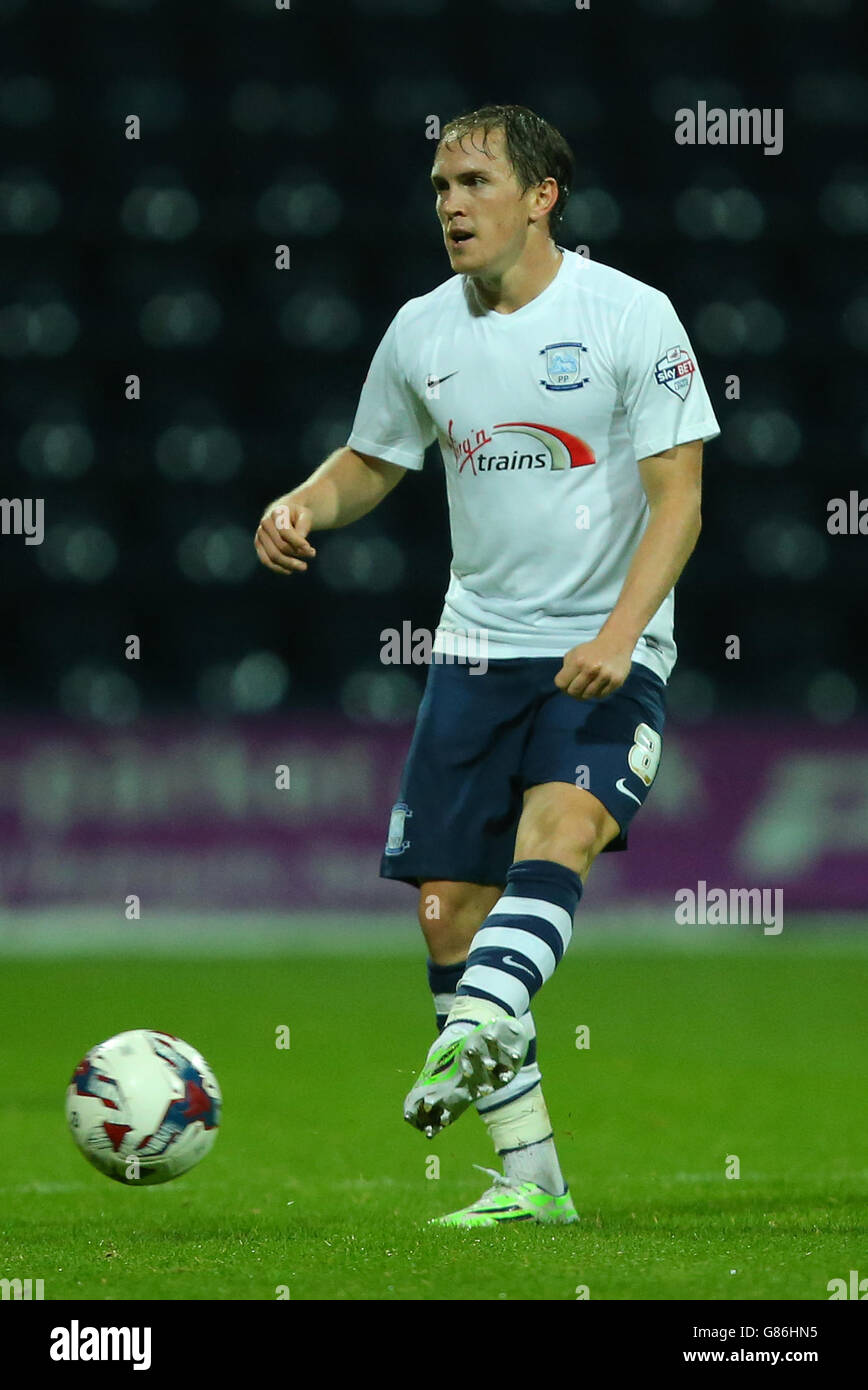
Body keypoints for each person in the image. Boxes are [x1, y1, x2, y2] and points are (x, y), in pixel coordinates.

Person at [255, 103, 720, 1228]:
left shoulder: (628, 315)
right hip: (471, 652)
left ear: (540, 195)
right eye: (438, 188)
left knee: (560, 834)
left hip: (602, 652)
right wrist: (310, 500)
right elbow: (375, 455)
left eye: (471, 183)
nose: (451, 206)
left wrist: (620, 633)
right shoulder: (423, 329)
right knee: (444, 916)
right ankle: (532, 1182)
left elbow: (680, 497)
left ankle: (473, 1028)